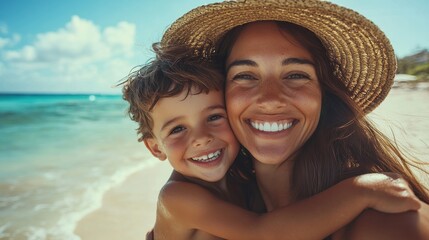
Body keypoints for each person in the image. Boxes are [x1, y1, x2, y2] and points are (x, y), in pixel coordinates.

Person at [160, 0, 429, 239]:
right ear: (221, 97)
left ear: (325, 93)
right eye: (245, 76)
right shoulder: (229, 203)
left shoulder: (387, 223)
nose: (270, 99)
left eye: (296, 75)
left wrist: (361, 190)